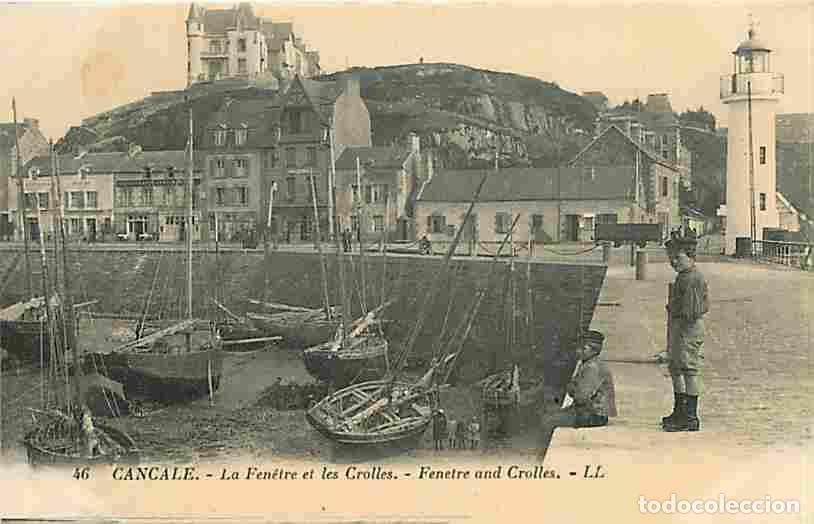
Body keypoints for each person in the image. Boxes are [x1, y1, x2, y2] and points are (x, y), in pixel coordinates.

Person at [537, 330, 617, 462]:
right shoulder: (591, 362)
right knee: (549, 413)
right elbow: (575, 388)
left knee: (548, 420)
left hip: (594, 415)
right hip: (589, 410)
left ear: (591, 350)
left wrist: (572, 388)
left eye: (582, 348)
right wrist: (573, 388)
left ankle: (541, 457)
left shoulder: (592, 367)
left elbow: (580, 397)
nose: (577, 351)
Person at [662, 228, 709, 432]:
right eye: (671, 258)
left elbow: (692, 312)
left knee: (689, 371)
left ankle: (690, 417)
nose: (673, 262)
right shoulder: (684, 276)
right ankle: (679, 411)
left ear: (690, 256)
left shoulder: (692, 278)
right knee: (676, 369)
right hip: (680, 328)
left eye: (678, 257)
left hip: (688, 329)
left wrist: (674, 309)